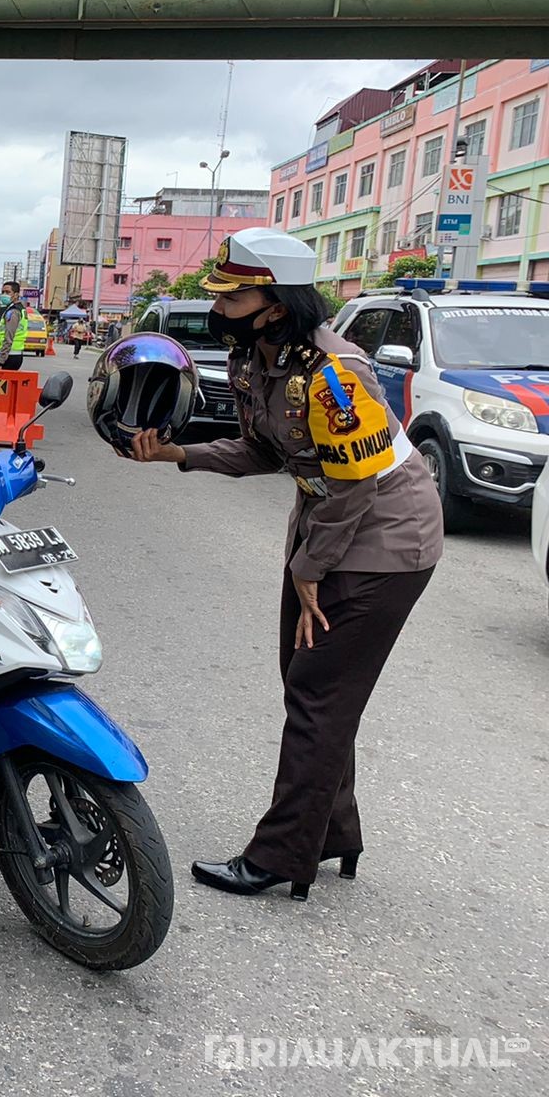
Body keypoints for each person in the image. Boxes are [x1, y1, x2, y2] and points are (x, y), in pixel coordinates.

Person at [123, 227, 443, 902]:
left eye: (234, 296)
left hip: (383, 545)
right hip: (327, 533)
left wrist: (310, 567)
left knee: (317, 694)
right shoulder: (257, 359)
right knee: (312, 687)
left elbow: (357, 483)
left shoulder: (335, 373)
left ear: (277, 302)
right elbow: (262, 452)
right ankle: (332, 833)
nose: (219, 307)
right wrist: (177, 454)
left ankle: (281, 855)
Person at [0, 284, 30, 370]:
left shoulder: (13, 312)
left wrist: (0, 362)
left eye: (8, 292)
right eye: (3, 292)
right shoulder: (20, 309)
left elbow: (9, 337)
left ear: (16, 295)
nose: (4, 295)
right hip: (15, 354)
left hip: (9, 356)